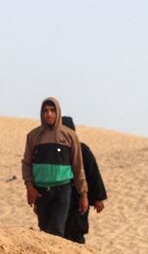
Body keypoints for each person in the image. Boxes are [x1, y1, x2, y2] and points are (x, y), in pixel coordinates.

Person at [22, 97, 88, 237]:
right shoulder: (33, 136)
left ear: (58, 112)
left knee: (57, 230)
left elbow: (78, 166)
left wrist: (83, 194)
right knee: (44, 231)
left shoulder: (70, 136)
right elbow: (27, 163)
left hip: (62, 190)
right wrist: (29, 187)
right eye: (45, 111)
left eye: (52, 110)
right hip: (41, 192)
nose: (49, 114)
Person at [61, 116, 107, 244]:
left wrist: (98, 198)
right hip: (58, 197)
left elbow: (93, 174)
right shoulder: (54, 150)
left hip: (79, 199)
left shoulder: (83, 150)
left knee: (77, 230)